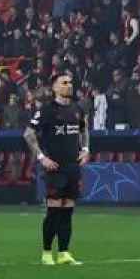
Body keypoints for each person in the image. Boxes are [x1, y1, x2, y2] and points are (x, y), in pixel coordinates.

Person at [26, 71, 89, 266]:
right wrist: (41, 157)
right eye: (64, 82)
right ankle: (46, 252)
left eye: (70, 82)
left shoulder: (77, 109)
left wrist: (86, 149)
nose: (69, 85)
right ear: (54, 88)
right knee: (54, 211)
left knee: (68, 211)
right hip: (54, 168)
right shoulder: (47, 110)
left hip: (73, 167)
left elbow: (84, 129)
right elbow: (29, 134)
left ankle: (63, 252)